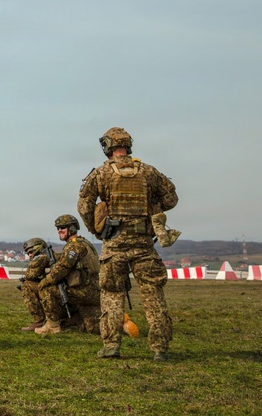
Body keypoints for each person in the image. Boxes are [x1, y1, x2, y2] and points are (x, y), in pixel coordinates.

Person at [78, 127, 178, 361]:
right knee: (153, 294)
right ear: (128, 145)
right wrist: (152, 206)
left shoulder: (101, 173)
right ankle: (159, 349)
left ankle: (111, 346)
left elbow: (84, 206)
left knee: (112, 295)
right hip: (144, 243)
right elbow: (171, 198)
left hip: (114, 245)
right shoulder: (149, 172)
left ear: (107, 147)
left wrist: (97, 229)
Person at [34, 214, 101, 335]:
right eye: (58, 228)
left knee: (47, 289)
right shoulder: (85, 243)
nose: (59, 230)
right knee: (94, 328)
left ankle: (52, 326)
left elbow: (62, 268)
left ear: (72, 229)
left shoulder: (74, 246)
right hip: (94, 291)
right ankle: (122, 323)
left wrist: (45, 281)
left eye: (63, 227)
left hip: (85, 291)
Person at [18, 237, 50, 332]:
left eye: (31, 251)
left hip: (53, 291)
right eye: (28, 253)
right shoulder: (49, 256)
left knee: (26, 285)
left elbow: (29, 275)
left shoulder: (42, 257)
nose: (30, 255)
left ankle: (39, 320)